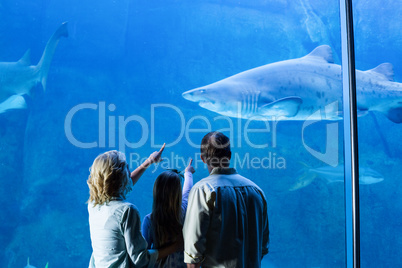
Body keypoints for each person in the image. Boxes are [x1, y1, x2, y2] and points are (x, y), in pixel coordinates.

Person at [183, 132, 269, 268]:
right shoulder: (257, 191)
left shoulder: (202, 190)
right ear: (229, 156)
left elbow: (193, 254)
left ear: (202, 158)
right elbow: (262, 247)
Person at [87, 144, 181, 268]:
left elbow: (122, 184)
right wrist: (175, 246)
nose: (130, 171)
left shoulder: (93, 205)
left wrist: (149, 161)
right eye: (127, 168)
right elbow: (140, 259)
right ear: (120, 178)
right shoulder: (127, 211)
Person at [142, 159, 195, 268]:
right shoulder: (183, 212)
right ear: (177, 194)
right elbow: (188, 191)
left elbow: (143, 257)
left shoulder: (149, 221)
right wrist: (188, 172)